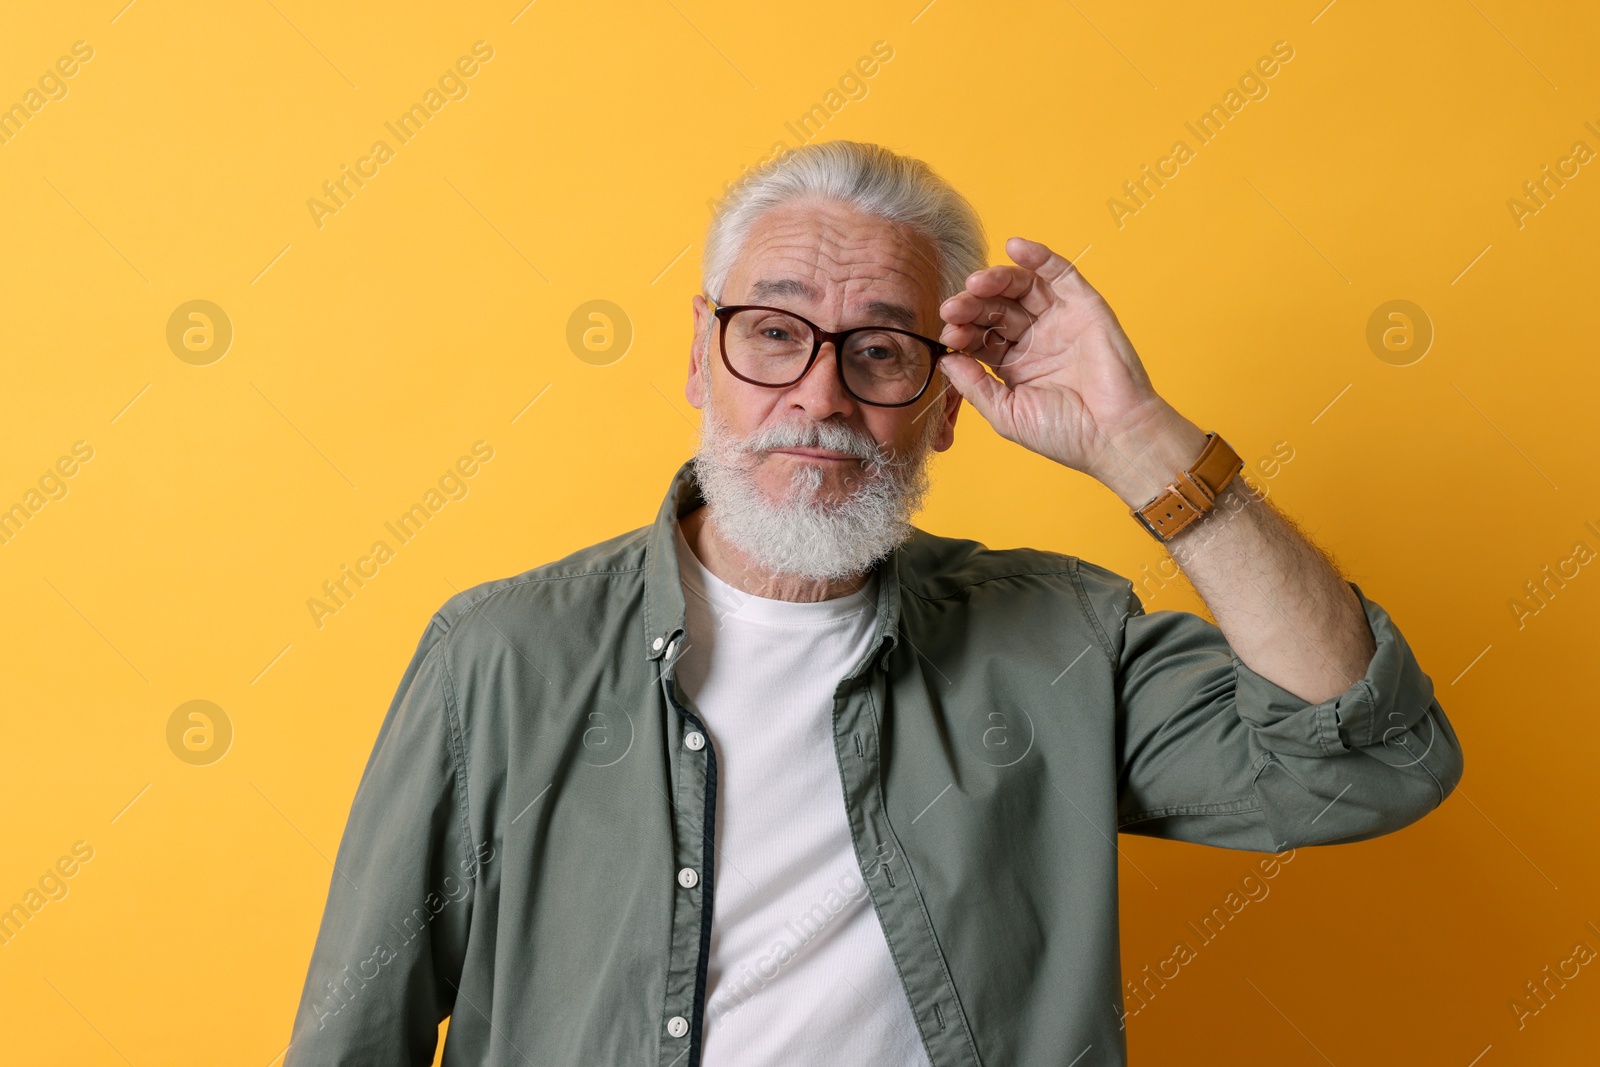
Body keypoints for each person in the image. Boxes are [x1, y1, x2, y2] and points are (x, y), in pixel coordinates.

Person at [285, 140, 1462, 1066]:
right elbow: (353, 1037)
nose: (820, 395)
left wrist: (1140, 442)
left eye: (883, 352)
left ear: (947, 403)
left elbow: (1365, 758)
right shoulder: (499, 654)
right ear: (701, 353)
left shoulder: (1058, 640)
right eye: (774, 333)